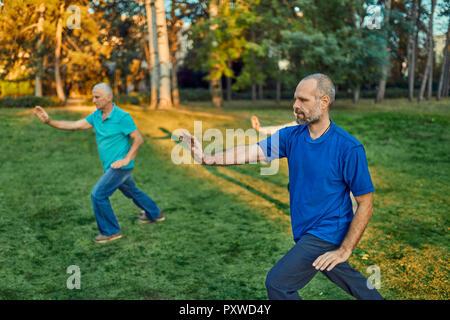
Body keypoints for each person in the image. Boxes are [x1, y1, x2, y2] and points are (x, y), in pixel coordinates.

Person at [181, 73, 384, 300]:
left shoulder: (348, 148)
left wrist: (345, 248)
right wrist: (208, 158)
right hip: (306, 230)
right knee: (349, 278)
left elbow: (366, 202)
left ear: (324, 102)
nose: (295, 105)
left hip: (326, 232)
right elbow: (251, 151)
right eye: (295, 99)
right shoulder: (291, 136)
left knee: (278, 284)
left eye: (303, 100)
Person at [34, 83, 165, 244]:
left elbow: (138, 139)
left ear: (109, 97)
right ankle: (155, 213)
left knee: (98, 195)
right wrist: (49, 121)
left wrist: (126, 159)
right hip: (112, 167)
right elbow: (74, 125)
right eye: (92, 96)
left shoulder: (122, 117)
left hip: (119, 167)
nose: (93, 100)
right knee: (132, 192)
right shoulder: (96, 116)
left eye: (97, 97)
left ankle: (111, 231)